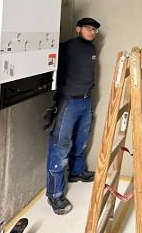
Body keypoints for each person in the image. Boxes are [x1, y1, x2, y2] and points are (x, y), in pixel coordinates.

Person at [46, 17, 101, 215]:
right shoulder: (67, 47)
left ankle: (77, 172)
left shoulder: (91, 49)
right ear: (78, 29)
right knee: (60, 145)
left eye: (94, 29)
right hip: (68, 101)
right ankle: (55, 194)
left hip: (85, 101)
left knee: (81, 140)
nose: (92, 32)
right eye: (88, 28)